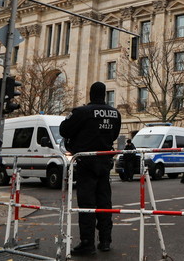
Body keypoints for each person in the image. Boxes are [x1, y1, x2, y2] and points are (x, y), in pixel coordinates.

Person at [60, 82, 121, 255]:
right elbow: (114, 134)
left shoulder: (83, 112)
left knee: (87, 204)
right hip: (104, 162)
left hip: (86, 162)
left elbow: (65, 130)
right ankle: (105, 240)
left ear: (90, 93)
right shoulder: (115, 113)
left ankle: (87, 243)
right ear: (105, 94)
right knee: (104, 202)